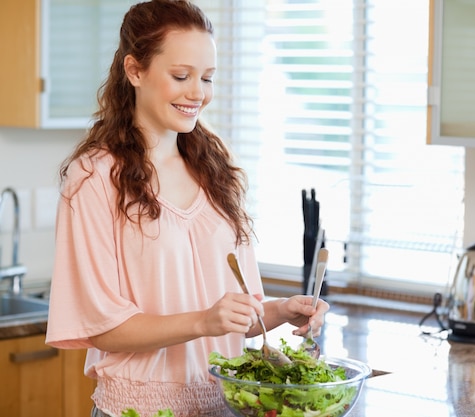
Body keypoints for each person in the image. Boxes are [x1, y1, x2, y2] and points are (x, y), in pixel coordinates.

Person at [45, 1, 329, 416]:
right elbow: (102, 326)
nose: (198, 92)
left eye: (207, 78)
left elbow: (235, 318)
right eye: (181, 76)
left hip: (223, 405)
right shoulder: (94, 177)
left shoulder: (216, 171)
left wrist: (281, 311)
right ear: (134, 70)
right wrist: (202, 321)